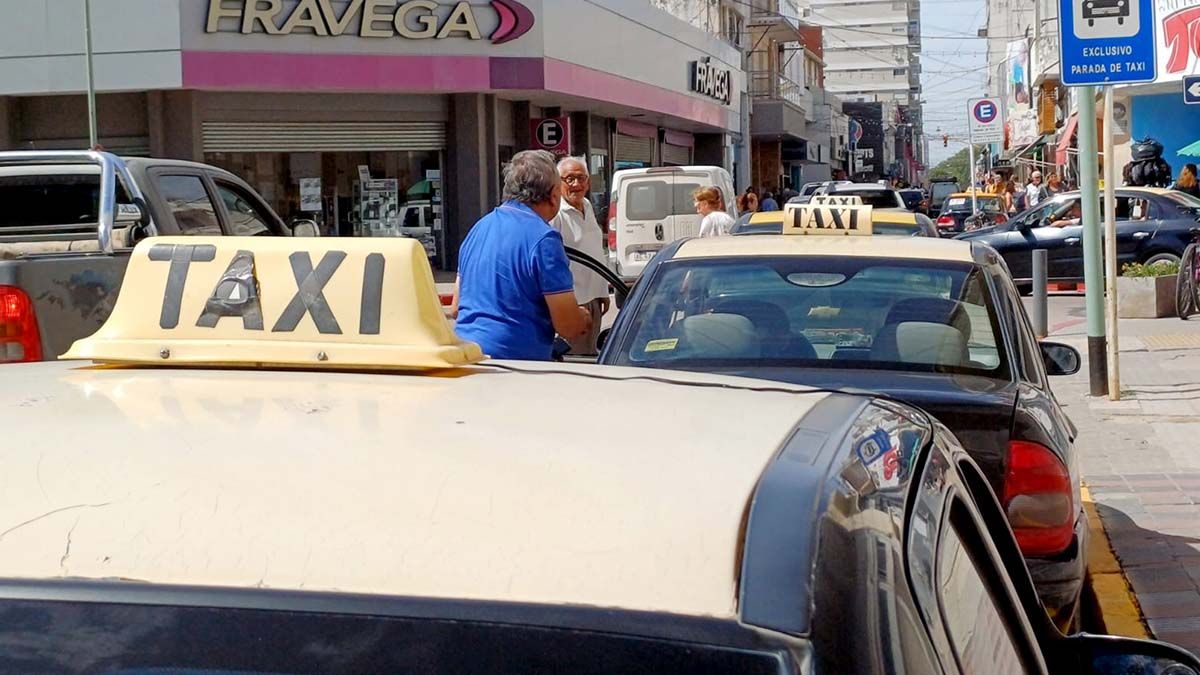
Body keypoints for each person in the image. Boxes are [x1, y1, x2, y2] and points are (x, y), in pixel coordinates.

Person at [451, 150, 591, 360]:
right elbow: (568, 326)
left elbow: (456, 307)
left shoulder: (479, 229)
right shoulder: (544, 239)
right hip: (515, 364)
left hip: (467, 355)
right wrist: (583, 317)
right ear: (553, 195)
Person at [550, 156, 610, 356]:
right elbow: (551, 261)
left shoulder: (587, 205)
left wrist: (602, 290)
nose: (576, 184)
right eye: (570, 179)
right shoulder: (556, 214)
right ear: (558, 182)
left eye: (581, 178)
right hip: (572, 302)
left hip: (593, 298)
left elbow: (594, 250)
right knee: (574, 360)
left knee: (591, 355)